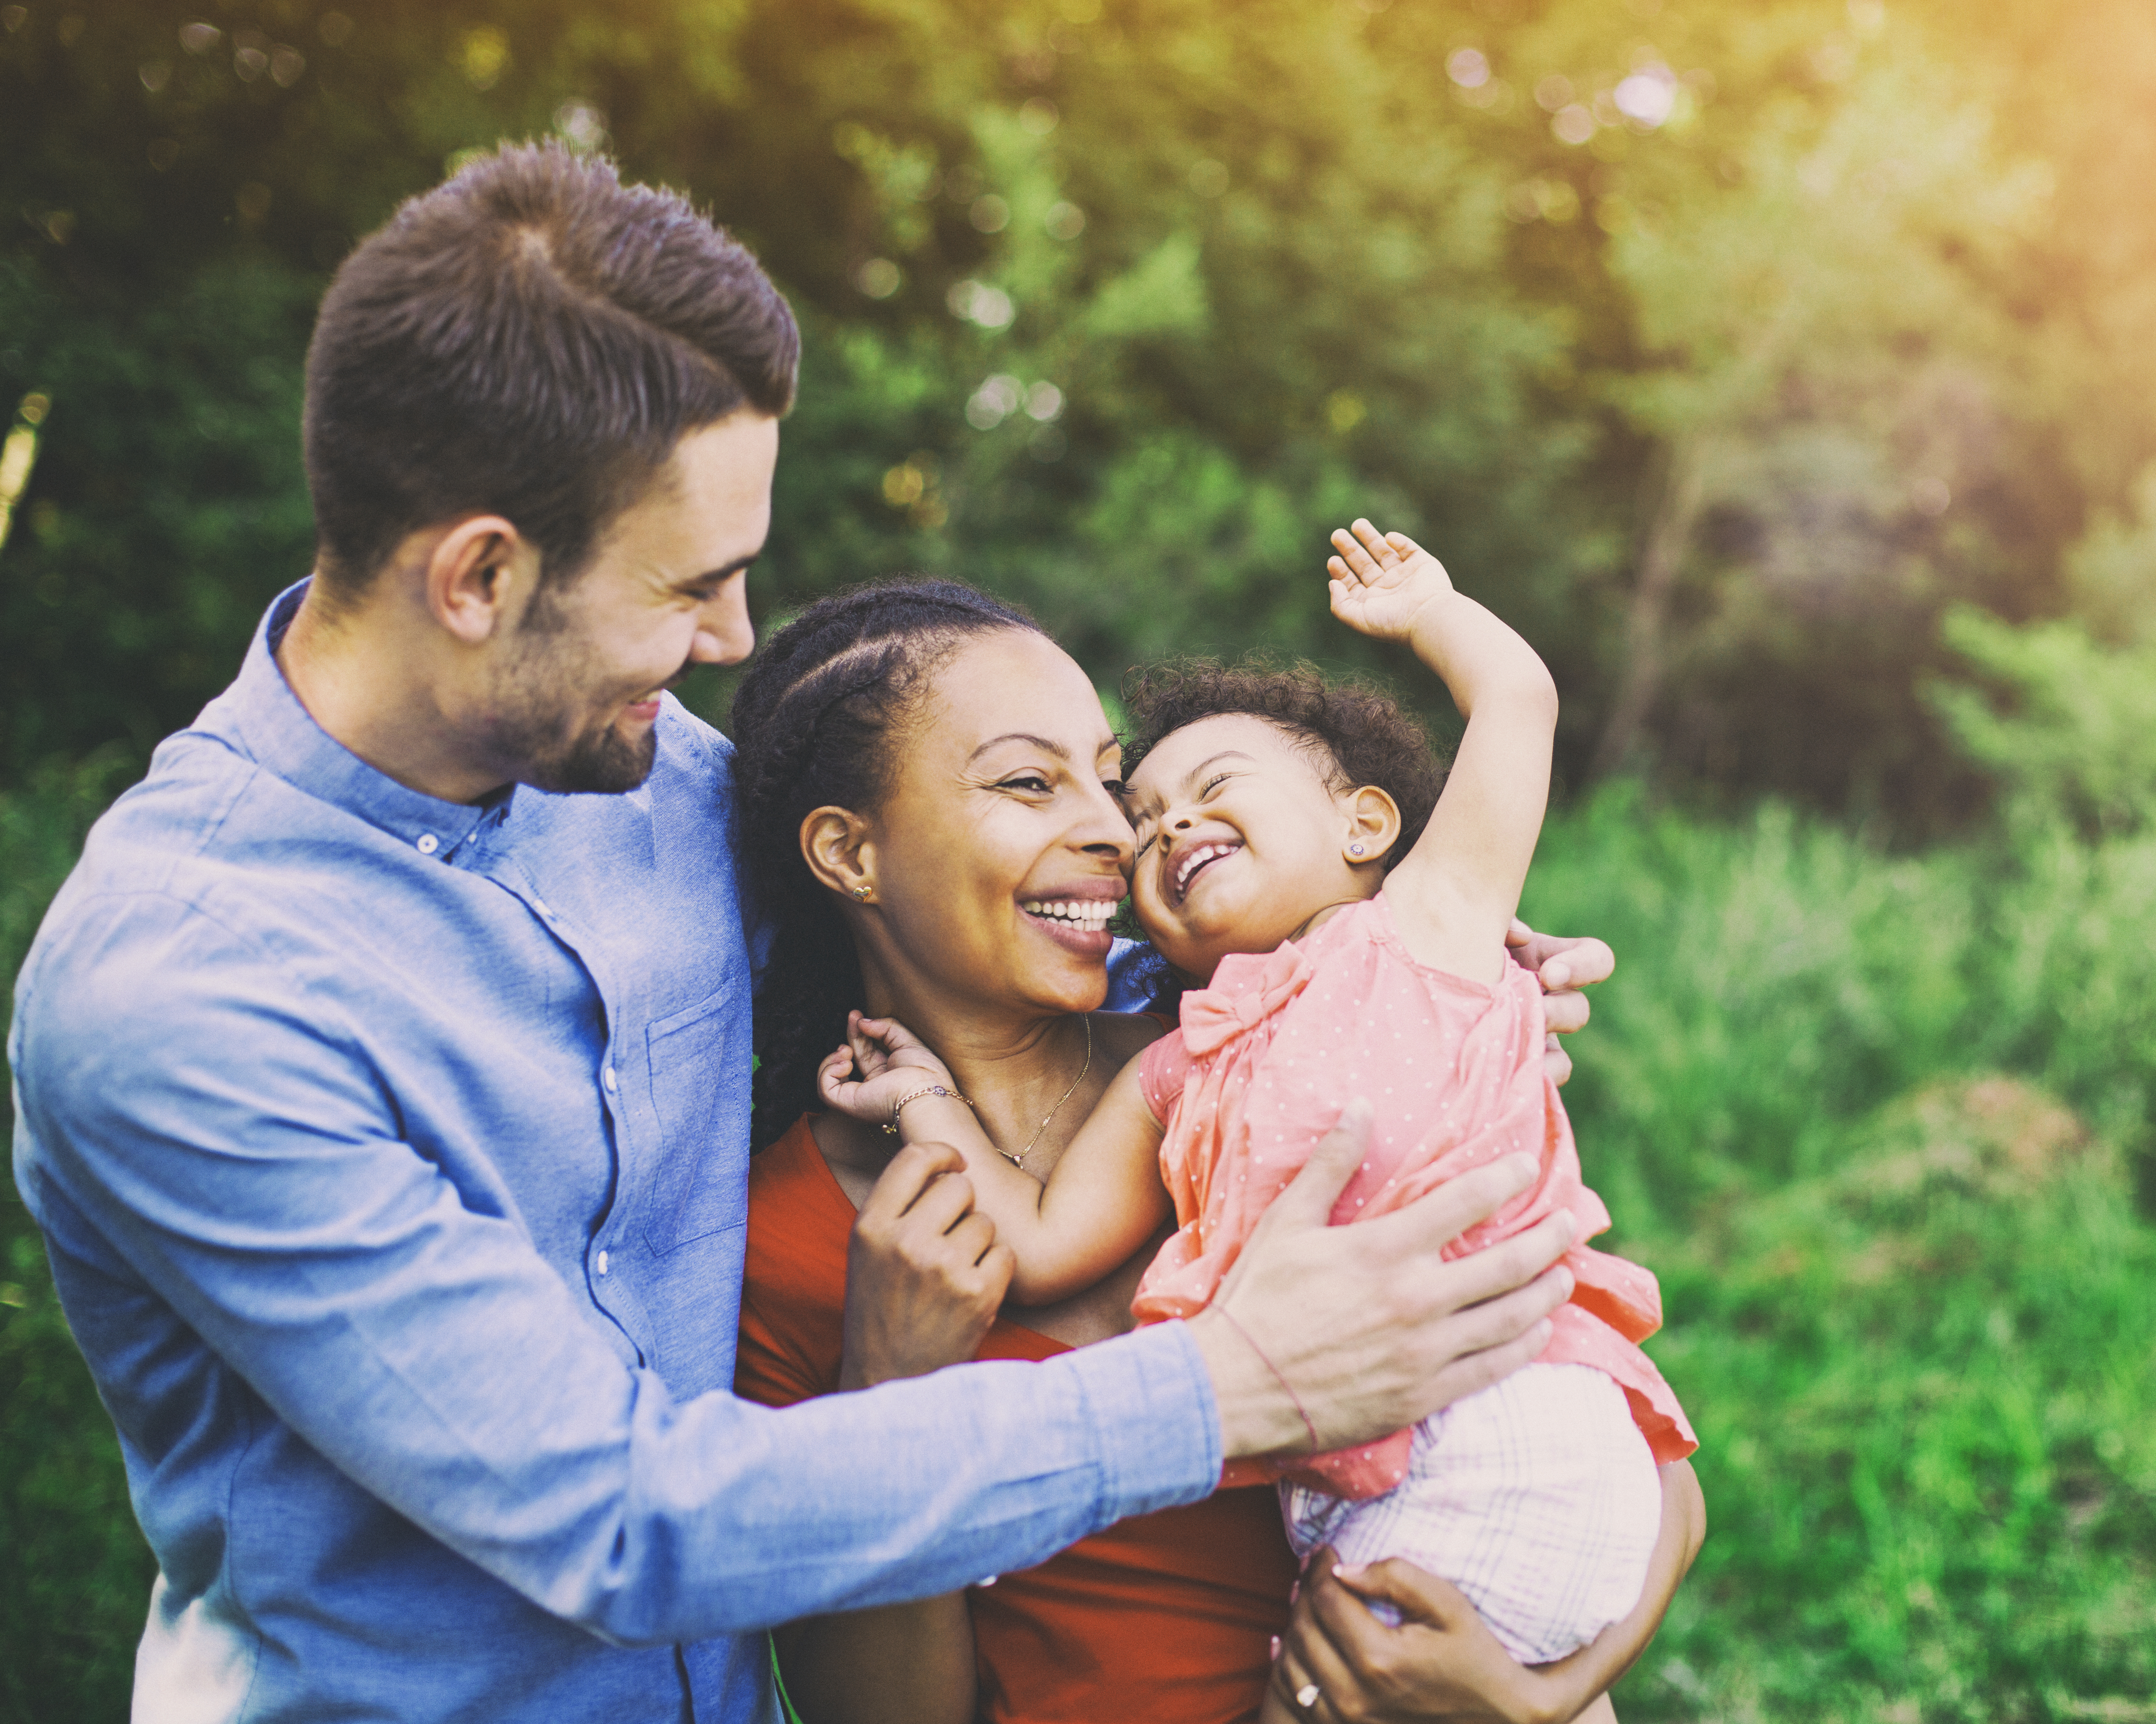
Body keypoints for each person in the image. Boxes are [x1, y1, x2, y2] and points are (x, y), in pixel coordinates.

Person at [6, 145, 1605, 1722]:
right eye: (691, 585)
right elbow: (615, 1514)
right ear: (479, 576)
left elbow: (990, 927)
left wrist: (1382, 952)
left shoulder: (653, 784)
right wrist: (1229, 1386)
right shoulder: (180, 996)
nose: (731, 639)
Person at [736, 577, 1702, 1724]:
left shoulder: (1269, 1070)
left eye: (1105, 779)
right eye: (1029, 781)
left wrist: (1542, 1699)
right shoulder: (788, 1244)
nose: (1109, 826)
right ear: (850, 854)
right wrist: (891, 1390)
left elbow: (1646, 1460)